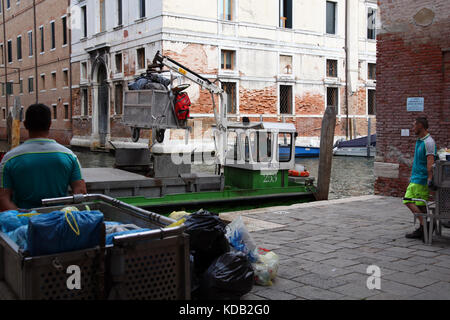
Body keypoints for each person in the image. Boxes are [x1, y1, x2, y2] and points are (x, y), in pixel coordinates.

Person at [0, 104, 86, 211]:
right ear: (50, 124)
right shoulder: (70, 156)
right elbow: (80, 192)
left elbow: (3, 199)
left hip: (25, 221)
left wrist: (23, 218)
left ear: (26, 125)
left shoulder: (9, 159)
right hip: (58, 221)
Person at [404, 117, 437, 240]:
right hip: (415, 178)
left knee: (410, 201)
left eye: (414, 125)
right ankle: (423, 227)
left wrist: (429, 178)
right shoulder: (420, 141)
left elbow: (430, 161)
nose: (413, 128)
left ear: (420, 126)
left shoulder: (428, 142)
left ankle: (426, 225)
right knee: (417, 204)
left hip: (421, 179)